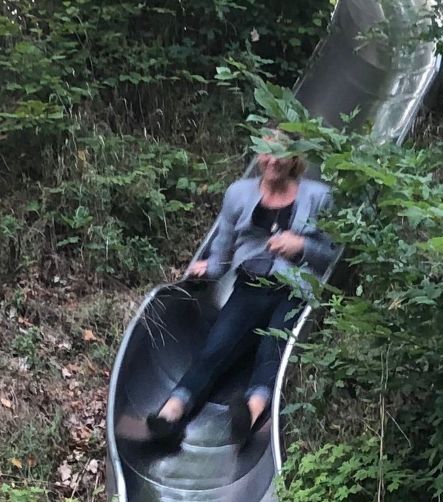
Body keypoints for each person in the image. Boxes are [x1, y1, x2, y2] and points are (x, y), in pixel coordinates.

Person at [144, 136, 338, 447]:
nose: (271, 160)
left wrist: (302, 245)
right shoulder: (239, 194)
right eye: (265, 152)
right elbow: (222, 248)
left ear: (293, 158)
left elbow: (334, 252)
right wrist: (208, 269)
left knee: (272, 350)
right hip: (250, 285)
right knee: (215, 348)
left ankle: (250, 413)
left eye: (280, 153)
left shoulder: (319, 197)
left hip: (295, 289)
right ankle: (172, 411)